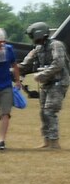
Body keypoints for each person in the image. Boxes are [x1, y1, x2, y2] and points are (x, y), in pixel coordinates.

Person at [18, 21, 70, 149]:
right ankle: (46, 140)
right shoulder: (38, 49)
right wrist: (12, 70)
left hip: (58, 82)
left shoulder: (56, 45)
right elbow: (26, 64)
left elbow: (58, 63)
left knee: (49, 111)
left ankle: (54, 142)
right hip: (47, 84)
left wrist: (42, 75)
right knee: (43, 112)